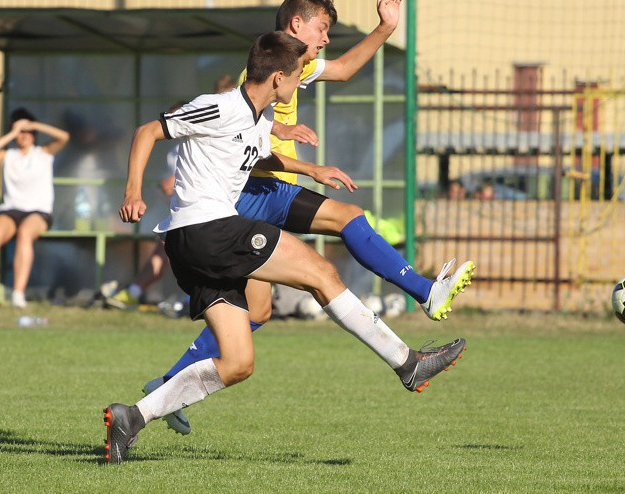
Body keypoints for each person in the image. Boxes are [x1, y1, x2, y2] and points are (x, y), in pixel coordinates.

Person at [103, 32, 467, 464]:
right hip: (208, 229)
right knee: (321, 274)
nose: (299, 85)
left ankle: (132, 418)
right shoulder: (220, 105)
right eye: (296, 77)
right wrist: (133, 192)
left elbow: (256, 158)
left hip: (194, 245)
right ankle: (407, 362)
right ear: (278, 77)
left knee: (238, 363)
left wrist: (310, 169)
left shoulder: (258, 120)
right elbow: (148, 131)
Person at [0, 108, 70, 308]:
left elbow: (64, 137)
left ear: (34, 134)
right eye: (20, 132)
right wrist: (12, 133)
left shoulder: (43, 153)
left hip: (38, 212)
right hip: (11, 210)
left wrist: (33, 125)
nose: (23, 136)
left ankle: (17, 293)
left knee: (25, 233)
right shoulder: (9, 155)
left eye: (27, 132)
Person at [102, 101, 190, 311]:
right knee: (164, 252)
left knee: (188, 256)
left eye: (178, 117)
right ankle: (134, 292)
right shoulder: (173, 151)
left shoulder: (201, 142)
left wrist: (175, 181)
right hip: (181, 213)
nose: (172, 123)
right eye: (169, 118)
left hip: (205, 214)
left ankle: (188, 300)